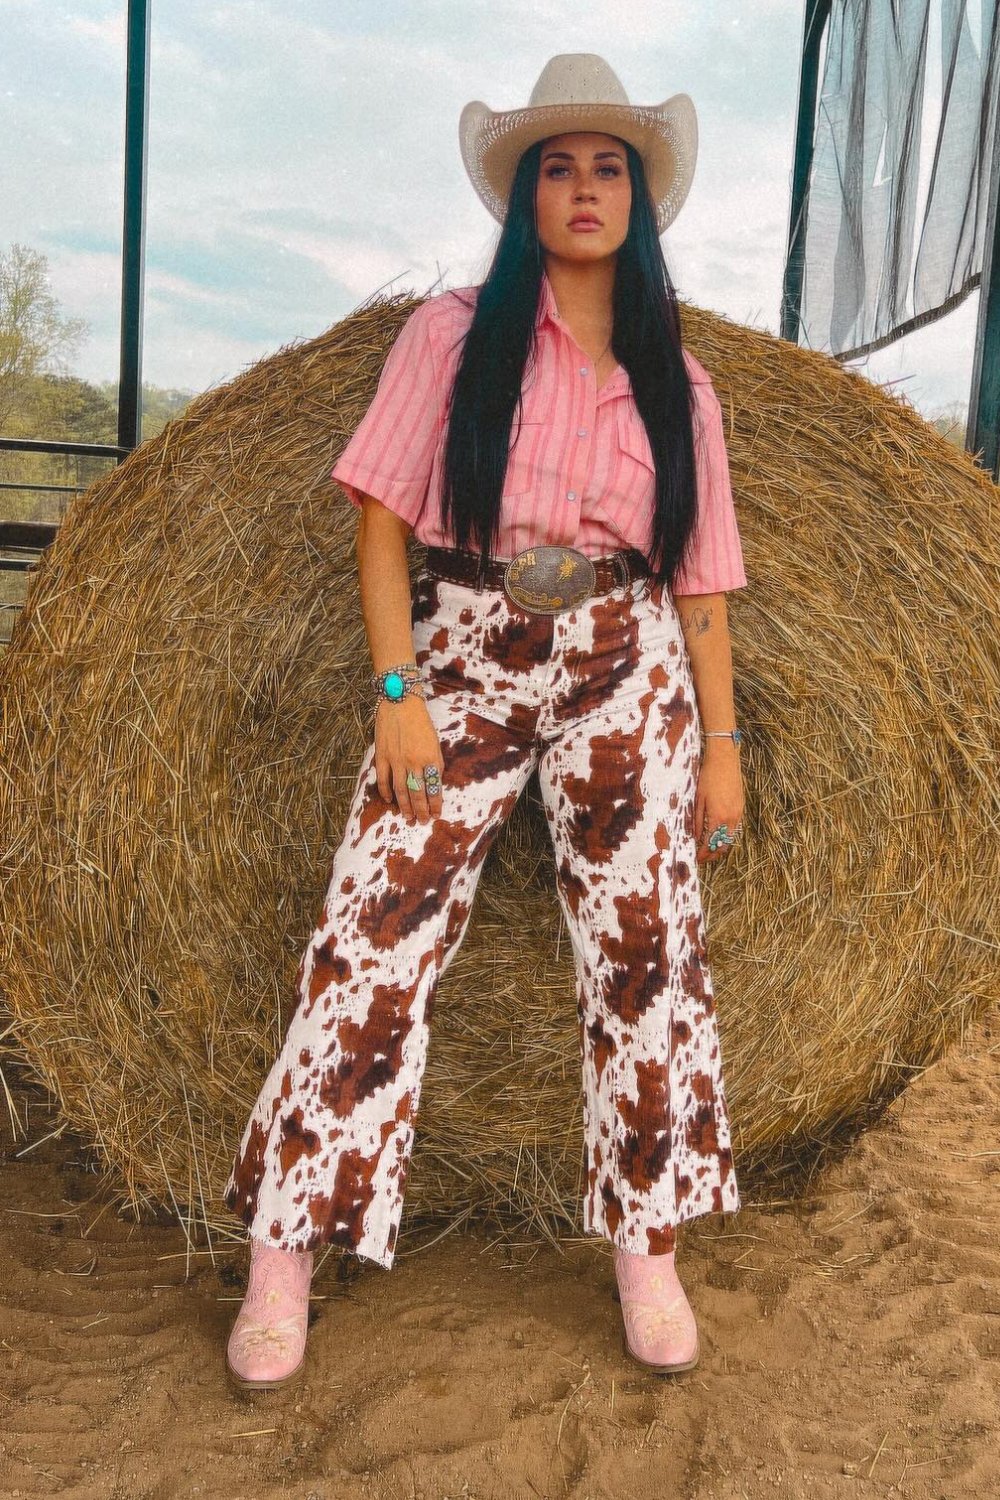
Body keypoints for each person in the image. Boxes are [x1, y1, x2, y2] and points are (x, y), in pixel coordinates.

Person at [223, 52, 747, 1392]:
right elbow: (384, 514)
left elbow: (703, 582)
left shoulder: (678, 383)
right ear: (524, 198)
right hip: (462, 646)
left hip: (628, 657)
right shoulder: (454, 336)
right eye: (557, 167)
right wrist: (397, 692)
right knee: (369, 931)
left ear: (640, 197)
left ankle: (649, 1244)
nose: (583, 188)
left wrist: (724, 751)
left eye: (607, 167)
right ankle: (285, 1249)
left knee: (648, 953)